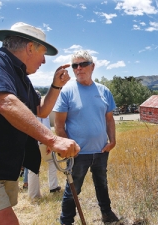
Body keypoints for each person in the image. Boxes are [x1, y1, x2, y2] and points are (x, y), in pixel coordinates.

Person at [0, 22, 80, 225]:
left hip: (3, 167)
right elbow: (5, 103)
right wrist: (52, 139)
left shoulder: (21, 77)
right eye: (43, 53)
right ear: (30, 47)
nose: (43, 61)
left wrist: (56, 85)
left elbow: (40, 110)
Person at [53, 50, 119, 225]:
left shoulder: (104, 91)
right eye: (75, 65)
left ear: (93, 66)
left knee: (102, 184)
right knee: (73, 189)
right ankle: (66, 221)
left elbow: (109, 119)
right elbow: (58, 125)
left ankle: (106, 213)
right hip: (78, 154)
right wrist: (69, 148)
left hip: (101, 150)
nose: (79, 68)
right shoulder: (66, 91)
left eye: (83, 64)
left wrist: (112, 141)